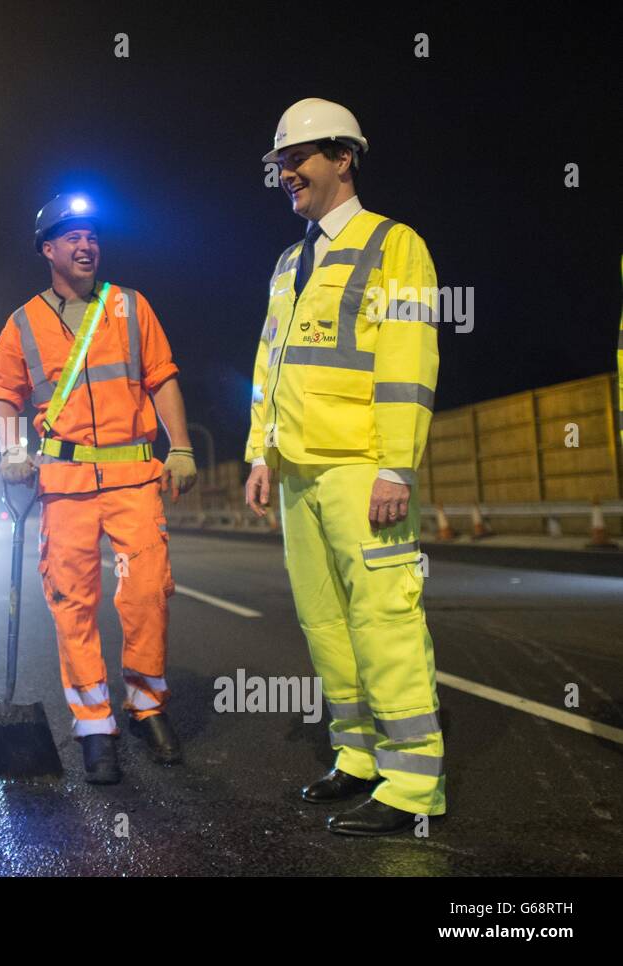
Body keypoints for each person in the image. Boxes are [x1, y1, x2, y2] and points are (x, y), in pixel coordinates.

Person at [244, 99, 445, 835]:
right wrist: (260, 452)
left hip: (362, 466)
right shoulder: (290, 262)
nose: (287, 172)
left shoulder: (396, 247)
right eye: (280, 163)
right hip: (297, 470)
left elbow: (407, 362)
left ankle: (413, 782)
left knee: (384, 618)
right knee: (326, 623)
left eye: (299, 158)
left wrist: (398, 466)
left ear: (344, 158)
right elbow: (269, 365)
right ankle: (357, 757)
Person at [0, 193, 198, 784]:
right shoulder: (22, 322)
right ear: (47, 250)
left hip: (133, 477)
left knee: (146, 591)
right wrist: (11, 448)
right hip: (66, 481)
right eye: (72, 237)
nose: (86, 245)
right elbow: (4, 393)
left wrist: (179, 447)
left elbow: (163, 379)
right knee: (72, 601)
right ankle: (93, 723)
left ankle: (147, 705)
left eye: (93, 236)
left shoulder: (131, 306)